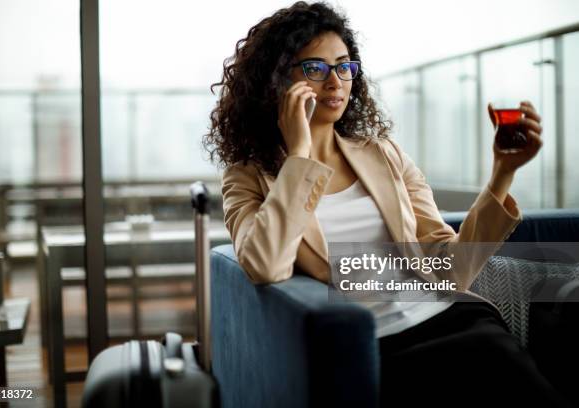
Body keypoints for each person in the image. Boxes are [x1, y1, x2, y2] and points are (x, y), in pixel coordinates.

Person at [204, 2, 573, 407]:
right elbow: (265, 263)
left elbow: (451, 270)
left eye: (344, 66)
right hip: (374, 345)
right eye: (316, 68)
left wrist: (502, 173)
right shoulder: (247, 177)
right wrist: (300, 157)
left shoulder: (385, 155)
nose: (335, 82)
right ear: (277, 82)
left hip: (454, 320)